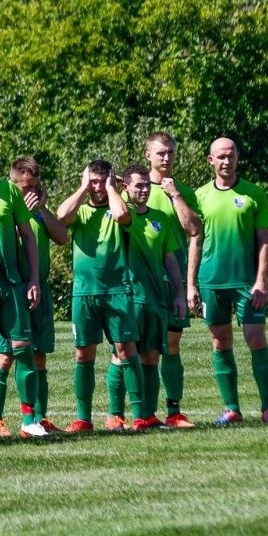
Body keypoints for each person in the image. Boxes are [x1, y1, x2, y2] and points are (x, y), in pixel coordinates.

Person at [187, 138, 268, 426]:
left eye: (231, 156)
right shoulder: (199, 196)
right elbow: (195, 241)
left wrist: (261, 281)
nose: (226, 161)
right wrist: (190, 284)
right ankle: (232, 409)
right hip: (212, 282)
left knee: (255, 338)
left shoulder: (254, 194)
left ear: (238, 157)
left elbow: (264, 241)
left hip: (246, 283)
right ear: (210, 161)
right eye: (220, 157)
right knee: (220, 341)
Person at [56, 161, 135, 432]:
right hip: (84, 293)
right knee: (83, 355)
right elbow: (61, 216)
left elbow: (123, 217)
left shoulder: (119, 204)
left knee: (125, 351)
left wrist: (113, 189)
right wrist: (82, 188)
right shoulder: (81, 210)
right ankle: (83, 418)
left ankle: (122, 415)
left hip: (117, 291)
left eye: (102, 181)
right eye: (94, 182)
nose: (97, 187)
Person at [121, 164, 187, 431]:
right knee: (126, 356)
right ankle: (122, 414)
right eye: (138, 185)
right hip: (129, 298)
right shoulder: (122, 217)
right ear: (126, 187)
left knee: (151, 357)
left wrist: (179, 293)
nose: (144, 190)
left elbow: (169, 258)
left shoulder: (159, 217)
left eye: (147, 185)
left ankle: (147, 416)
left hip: (156, 298)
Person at [143, 132, 203, 428]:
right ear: (148, 156)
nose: (166, 157)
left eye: (170, 152)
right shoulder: (137, 191)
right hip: (144, 283)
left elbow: (194, 231)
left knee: (172, 343)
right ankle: (143, 412)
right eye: (160, 153)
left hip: (174, 281)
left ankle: (174, 410)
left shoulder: (183, 191)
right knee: (143, 348)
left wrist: (175, 195)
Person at [7, 156, 68, 435]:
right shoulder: (6, 207)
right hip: (14, 288)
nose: (30, 192)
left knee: (40, 355)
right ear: (13, 183)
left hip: (39, 287)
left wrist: (42, 209)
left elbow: (62, 237)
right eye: (25, 186)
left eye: (35, 186)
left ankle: (39, 417)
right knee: (7, 355)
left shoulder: (39, 210)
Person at [0, 163, 42, 436]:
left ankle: (29, 421)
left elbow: (27, 234)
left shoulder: (6, 191)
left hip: (12, 282)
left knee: (23, 349)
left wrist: (33, 279)